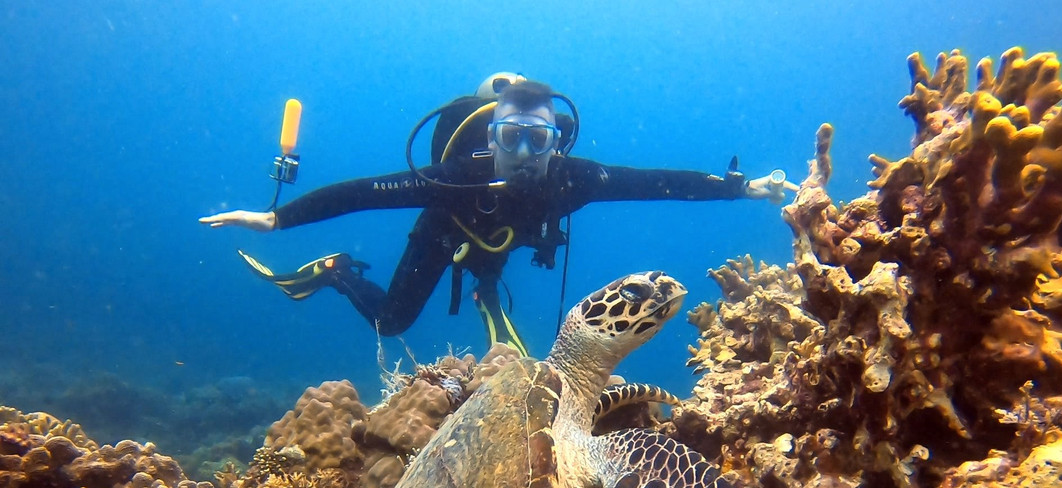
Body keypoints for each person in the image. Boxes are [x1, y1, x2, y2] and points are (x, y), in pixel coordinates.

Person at [200, 74, 796, 355]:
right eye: (511, 137)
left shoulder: (573, 177)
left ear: (555, 139)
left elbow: (659, 184)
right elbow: (364, 192)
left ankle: (487, 290)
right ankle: (336, 272)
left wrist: (742, 190)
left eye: (538, 139)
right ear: (492, 133)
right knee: (390, 325)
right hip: (446, 233)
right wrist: (277, 220)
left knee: (491, 271)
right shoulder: (459, 176)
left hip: (501, 243)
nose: (524, 153)